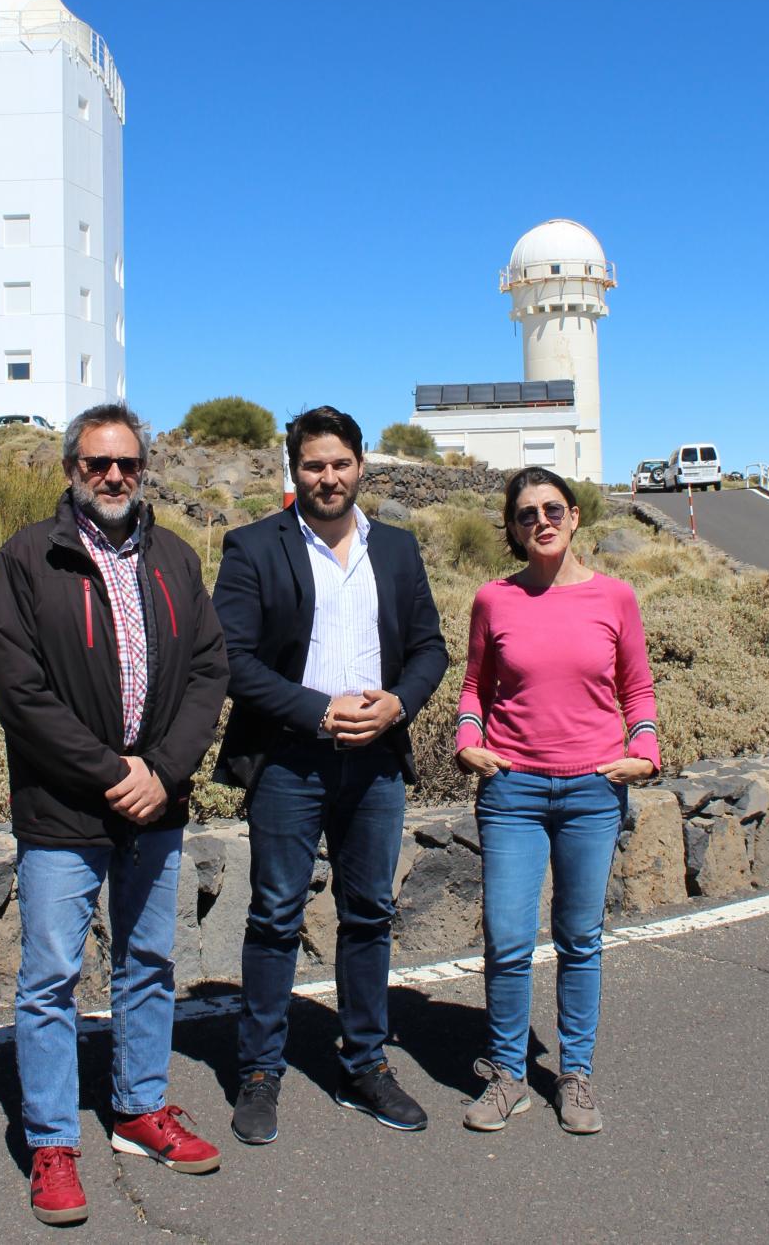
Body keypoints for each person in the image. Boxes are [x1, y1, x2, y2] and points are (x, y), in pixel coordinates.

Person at [0, 403, 229, 1226]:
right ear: (71, 469)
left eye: (127, 462)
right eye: (97, 463)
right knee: (51, 976)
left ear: (143, 467)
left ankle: (138, 1107)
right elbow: (20, 693)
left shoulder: (174, 557)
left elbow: (207, 672)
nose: (114, 475)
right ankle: (53, 1140)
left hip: (156, 805)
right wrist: (109, 773)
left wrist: (161, 771)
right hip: (62, 808)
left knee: (149, 959)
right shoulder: (27, 558)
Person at [212, 405, 448, 1145]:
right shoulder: (253, 547)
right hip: (289, 760)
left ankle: (364, 1063)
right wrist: (319, 711)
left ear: (361, 466)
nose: (328, 476)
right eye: (313, 464)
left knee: (369, 913)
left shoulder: (400, 550)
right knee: (276, 915)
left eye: (340, 462)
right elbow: (233, 661)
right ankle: (258, 1070)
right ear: (295, 471)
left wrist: (396, 705)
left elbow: (431, 649)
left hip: (376, 761)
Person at [454, 466, 659, 1137]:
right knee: (509, 938)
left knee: (579, 939)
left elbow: (639, 690)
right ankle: (510, 1073)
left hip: (594, 789)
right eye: (524, 514)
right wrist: (466, 738)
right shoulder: (493, 599)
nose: (539, 520)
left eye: (551, 509)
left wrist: (646, 750)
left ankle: (575, 1074)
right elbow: (474, 687)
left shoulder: (616, 596)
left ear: (574, 516)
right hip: (512, 789)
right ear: (513, 530)